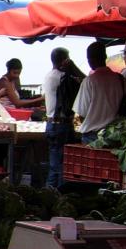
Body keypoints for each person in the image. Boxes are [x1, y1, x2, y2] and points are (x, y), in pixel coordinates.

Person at [74, 42, 126, 143]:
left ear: (90, 59)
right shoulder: (121, 79)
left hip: (92, 136)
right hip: (116, 135)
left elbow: (82, 113)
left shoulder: (89, 81)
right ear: (105, 56)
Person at [43, 48, 83, 189]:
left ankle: (50, 192)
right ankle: (56, 194)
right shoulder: (61, 77)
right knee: (61, 165)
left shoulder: (49, 76)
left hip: (52, 124)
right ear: (64, 60)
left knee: (55, 163)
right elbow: (85, 82)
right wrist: (72, 66)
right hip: (61, 125)